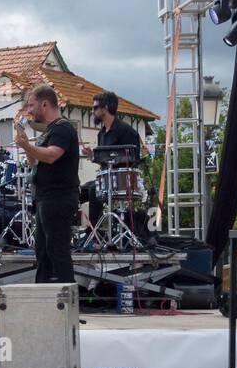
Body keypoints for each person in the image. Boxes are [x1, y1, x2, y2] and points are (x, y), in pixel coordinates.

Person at [14, 84, 79, 283]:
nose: (29, 111)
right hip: (44, 197)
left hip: (58, 197)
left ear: (44, 104)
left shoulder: (63, 128)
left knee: (57, 249)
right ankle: (44, 299)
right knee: (42, 250)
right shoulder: (48, 132)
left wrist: (27, 145)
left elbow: (51, 156)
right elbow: (34, 162)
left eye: (31, 105)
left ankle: (67, 302)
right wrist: (27, 146)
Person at [79, 90, 144, 230]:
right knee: (78, 191)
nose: (92, 111)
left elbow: (134, 158)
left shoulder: (126, 131)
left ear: (106, 108)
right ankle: (74, 232)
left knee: (93, 190)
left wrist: (114, 160)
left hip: (123, 180)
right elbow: (105, 160)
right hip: (106, 179)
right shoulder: (101, 134)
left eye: (95, 107)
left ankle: (93, 236)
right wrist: (92, 156)